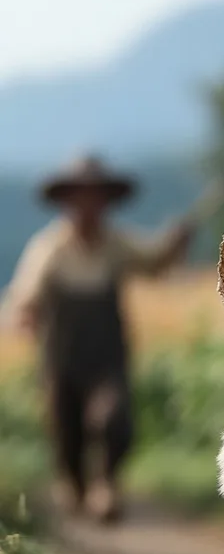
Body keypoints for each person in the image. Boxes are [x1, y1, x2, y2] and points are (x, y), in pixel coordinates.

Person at [4, 155, 192, 521]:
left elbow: (154, 263)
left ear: (106, 201)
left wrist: (175, 242)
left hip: (107, 356)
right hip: (61, 357)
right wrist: (25, 317)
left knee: (113, 420)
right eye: (81, 197)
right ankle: (75, 487)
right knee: (67, 432)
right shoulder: (49, 249)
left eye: (96, 197)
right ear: (68, 201)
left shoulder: (116, 244)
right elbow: (25, 297)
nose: (88, 206)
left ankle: (106, 485)